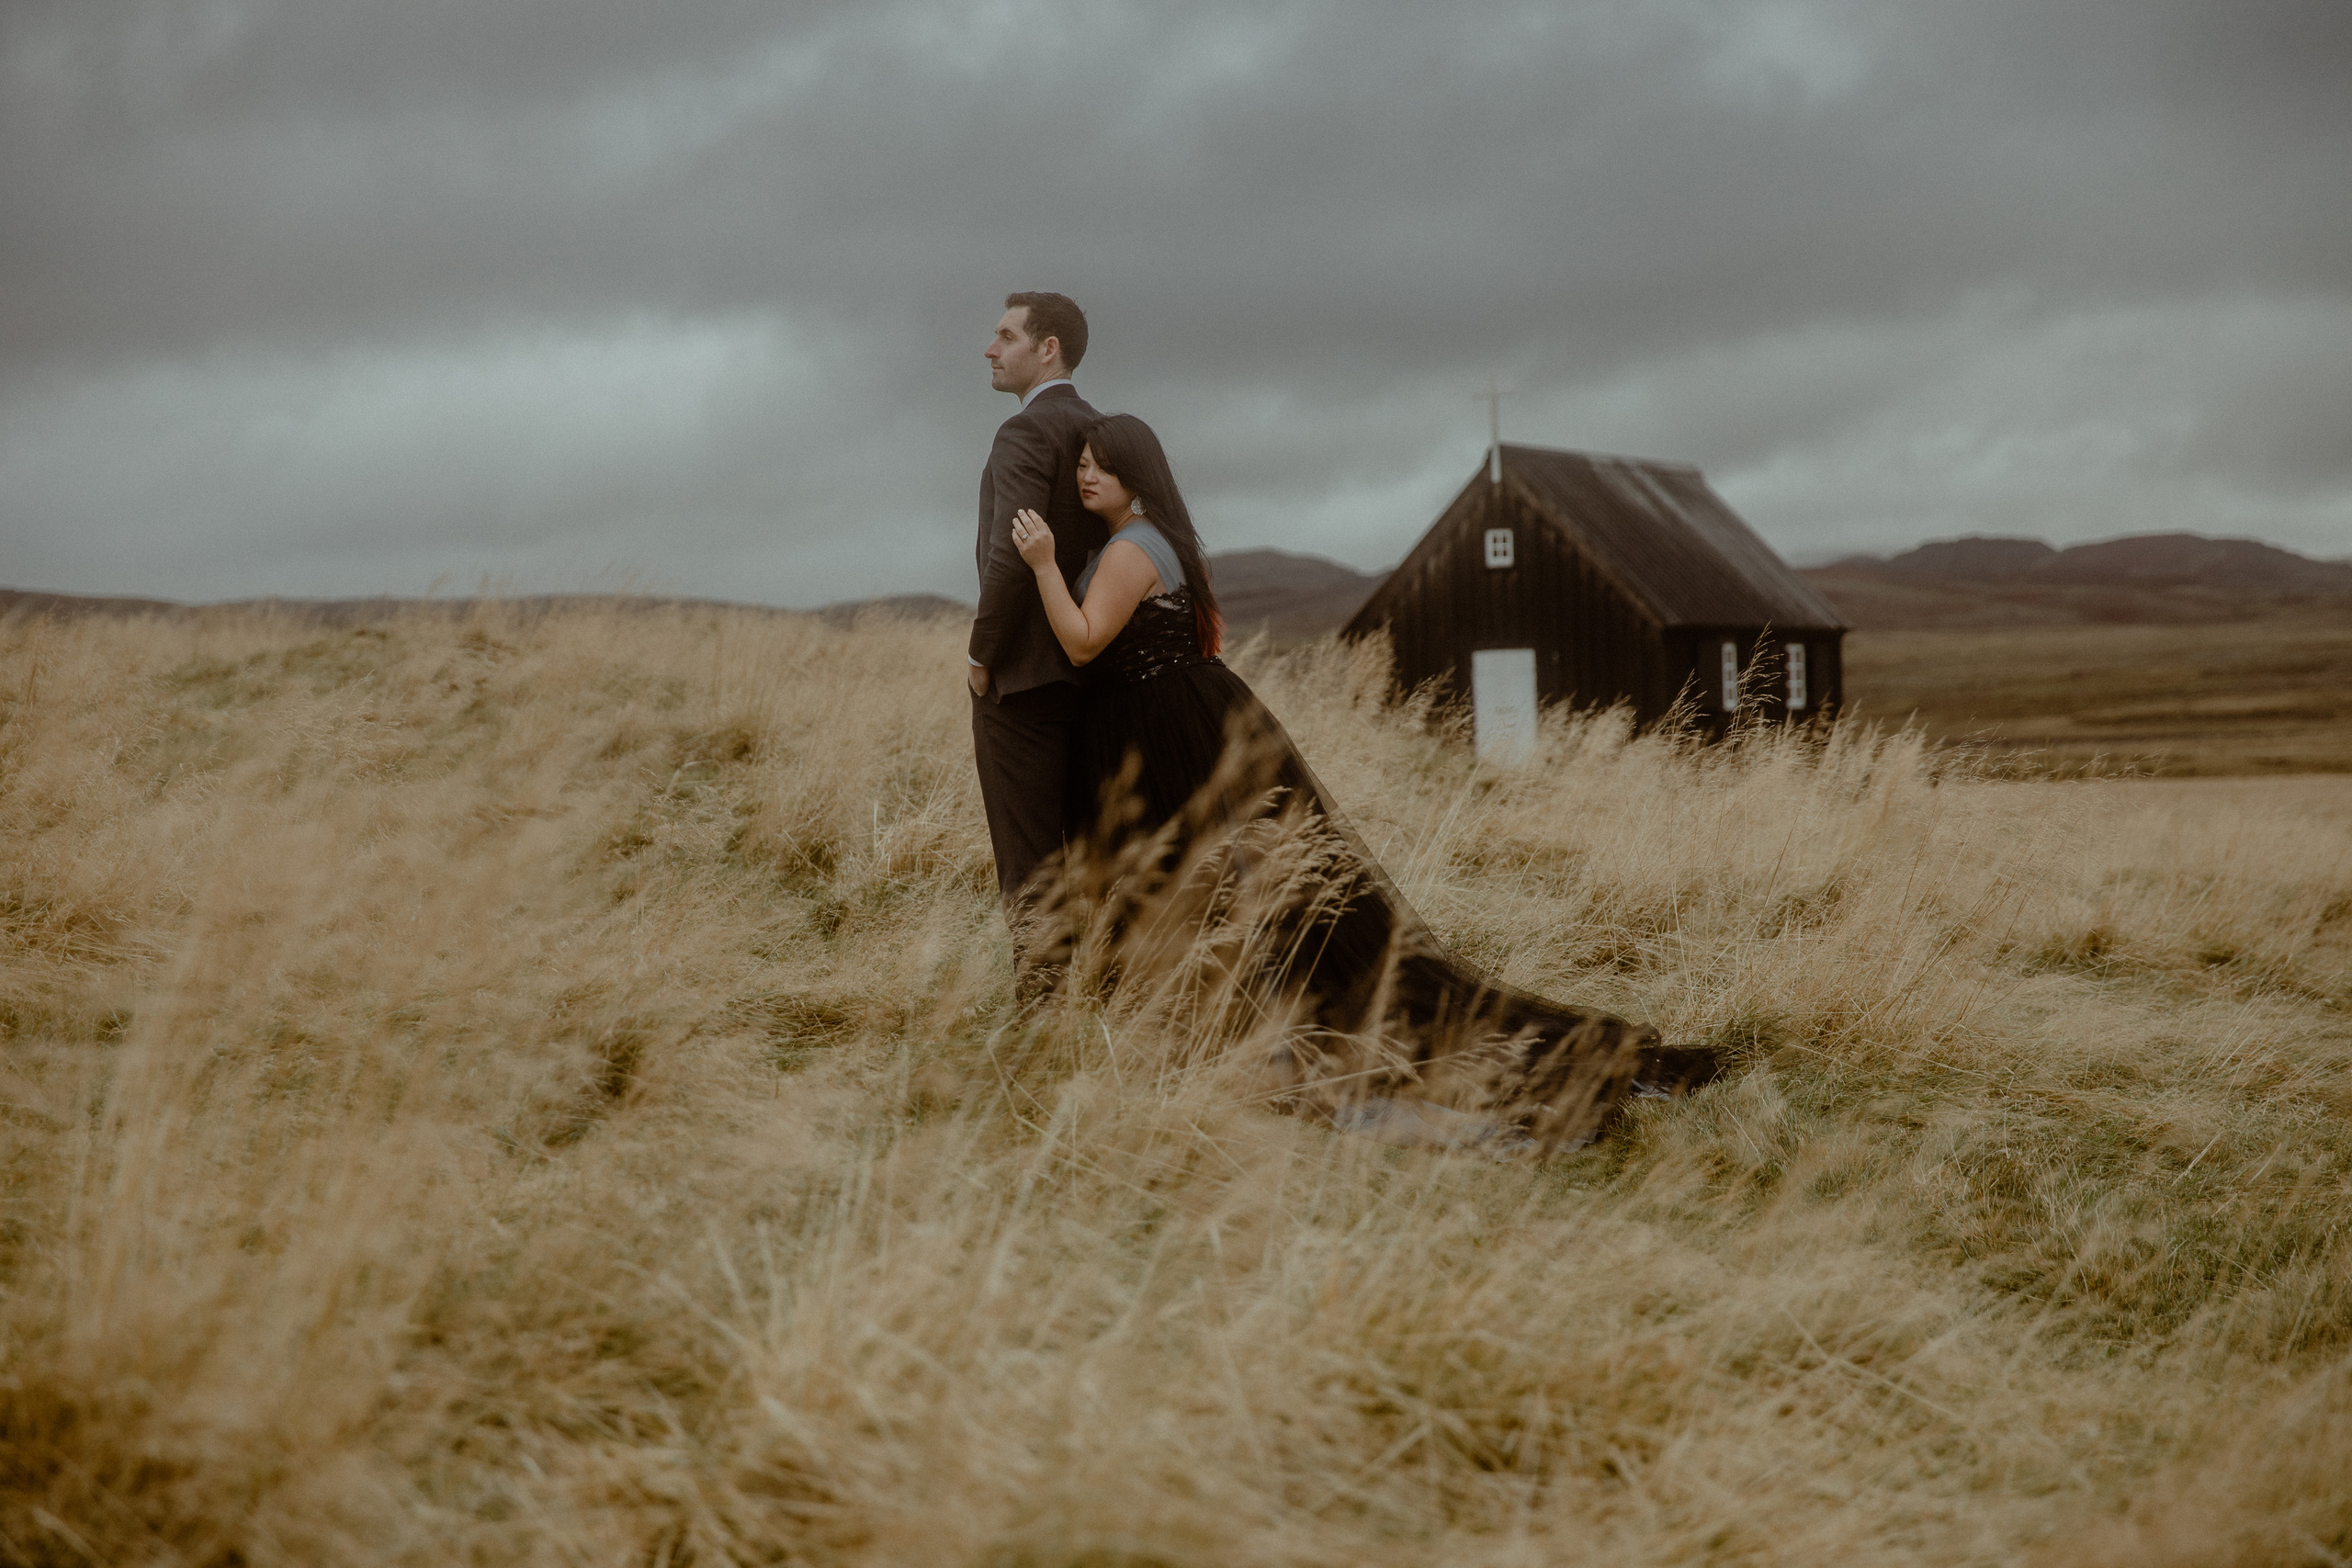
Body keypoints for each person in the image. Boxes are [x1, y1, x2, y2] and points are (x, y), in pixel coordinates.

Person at [1009, 413, 1719, 1152]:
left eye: (1103, 466)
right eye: (1083, 464)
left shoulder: (1130, 548)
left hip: (1165, 732)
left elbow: (1085, 640)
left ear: (1137, 477)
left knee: (1217, 884)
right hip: (1185, 718)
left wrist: (1041, 563)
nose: (1088, 475)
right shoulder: (1159, 539)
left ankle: (1269, 1042)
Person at [967, 291, 1102, 998]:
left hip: (1022, 683)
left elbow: (1008, 558)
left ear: (1047, 348)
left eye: (1005, 335)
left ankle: (1043, 1019)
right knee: (1097, 853)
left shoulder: (1022, 435)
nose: (990, 349)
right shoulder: (1103, 431)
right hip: (1099, 674)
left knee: (1029, 862)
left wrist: (981, 657)